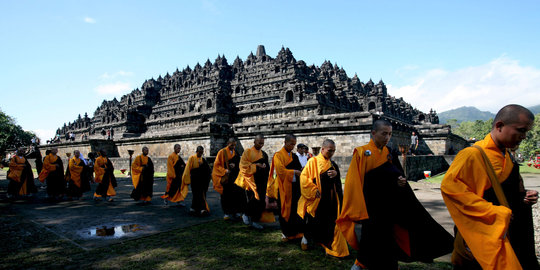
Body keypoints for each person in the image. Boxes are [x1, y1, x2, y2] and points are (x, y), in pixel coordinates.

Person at [337, 119, 453, 270]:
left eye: (390, 134)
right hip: (370, 206)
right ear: (373, 133)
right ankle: (360, 264)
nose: (387, 137)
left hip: (388, 206)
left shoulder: (388, 154)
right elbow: (354, 183)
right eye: (383, 133)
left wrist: (399, 182)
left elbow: (395, 176)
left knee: (389, 240)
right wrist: (358, 210)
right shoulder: (361, 153)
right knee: (370, 240)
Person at [441, 104, 539, 270]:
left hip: (514, 233)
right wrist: (495, 213)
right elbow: (451, 190)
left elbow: (507, 189)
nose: (524, 137)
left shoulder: (507, 155)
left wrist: (525, 196)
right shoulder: (472, 155)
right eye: (521, 130)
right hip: (486, 234)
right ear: (499, 126)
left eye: (526, 132)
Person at [297, 139, 349, 257]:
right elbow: (304, 178)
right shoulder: (313, 162)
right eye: (330, 151)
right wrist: (313, 190)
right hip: (317, 199)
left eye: (334, 151)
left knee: (330, 223)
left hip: (330, 200)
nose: (332, 153)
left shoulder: (332, 164)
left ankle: (330, 248)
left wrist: (336, 175)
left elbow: (337, 182)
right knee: (313, 221)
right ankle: (306, 238)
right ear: (323, 149)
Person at [267, 134, 304, 241]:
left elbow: (298, 170)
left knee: (294, 209)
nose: (292, 146)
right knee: (284, 209)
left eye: (294, 144)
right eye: (291, 144)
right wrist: (294, 172)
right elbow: (280, 171)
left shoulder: (294, 156)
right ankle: (286, 233)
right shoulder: (278, 155)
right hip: (283, 188)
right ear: (285, 142)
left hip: (295, 188)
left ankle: (295, 232)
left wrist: (301, 170)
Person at [235, 134, 271, 229]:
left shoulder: (263, 154)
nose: (261, 145)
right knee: (254, 199)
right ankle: (246, 214)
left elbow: (267, 166)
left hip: (262, 180)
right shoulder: (248, 152)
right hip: (251, 180)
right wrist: (256, 166)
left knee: (261, 201)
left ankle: (255, 220)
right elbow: (243, 166)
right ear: (254, 141)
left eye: (262, 143)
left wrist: (264, 167)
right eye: (259, 143)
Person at [212, 138, 243, 220]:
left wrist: (235, 165)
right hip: (226, 177)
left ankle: (236, 212)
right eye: (232, 145)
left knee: (236, 195)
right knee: (226, 196)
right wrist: (224, 170)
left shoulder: (236, 153)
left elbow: (239, 163)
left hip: (234, 177)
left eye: (234, 145)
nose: (233, 147)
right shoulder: (222, 152)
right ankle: (227, 213)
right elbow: (216, 165)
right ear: (228, 143)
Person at [183, 146, 212, 216]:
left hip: (202, 181)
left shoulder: (203, 160)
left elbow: (207, 170)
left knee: (202, 194)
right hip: (195, 180)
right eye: (199, 152)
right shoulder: (192, 158)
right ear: (196, 151)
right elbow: (187, 169)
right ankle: (196, 208)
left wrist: (202, 165)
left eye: (202, 153)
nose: (200, 154)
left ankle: (201, 209)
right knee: (196, 194)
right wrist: (186, 179)